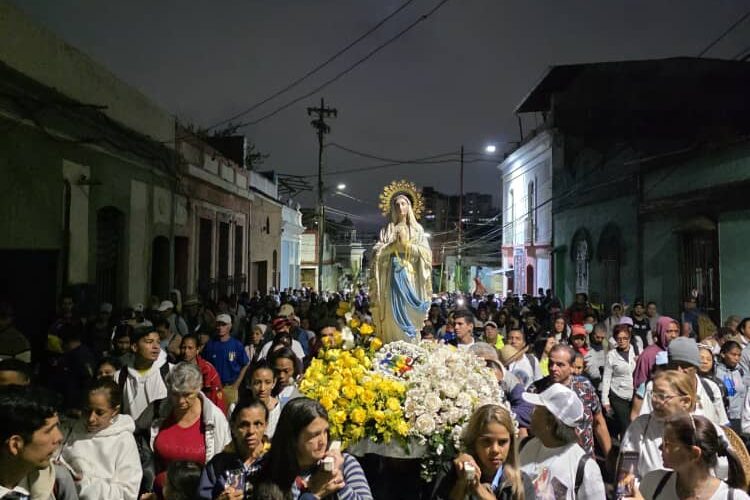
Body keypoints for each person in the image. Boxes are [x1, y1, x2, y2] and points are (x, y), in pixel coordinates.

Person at [257, 397, 373, 499]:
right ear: (293, 438)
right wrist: (314, 494)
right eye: (315, 435)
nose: (323, 441)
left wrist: (338, 483)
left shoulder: (346, 463)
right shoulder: (270, 473)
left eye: (325, 432)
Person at [151, 362, 231, 494]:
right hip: (161, 492)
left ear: (198, 388)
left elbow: (224, 460)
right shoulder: (158, 410)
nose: (181, 401)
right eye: (175, 394)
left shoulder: (214, 417)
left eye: (187, 394)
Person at [369, 183, 432, 343]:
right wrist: (391, 248)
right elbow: (376, 251)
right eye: (396, 204)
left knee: (408, 310)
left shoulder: (417, 230)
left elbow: (426, 254)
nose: (399, 207)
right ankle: (391, 343)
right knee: (390, 312)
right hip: (390, 277)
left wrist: (406, 247)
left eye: (403, 203)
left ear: (409, 207)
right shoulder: (388, 229)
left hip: (410, 277)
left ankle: (409, 344)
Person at [519, 383, 605, 499]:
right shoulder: (524, 446)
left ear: (550, 422)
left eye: (538, 408)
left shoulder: (584, 467)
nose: (531, 412)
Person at [429, 404, 534, 499]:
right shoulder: (451, 472)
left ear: (511, 443)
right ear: (474, 441)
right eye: (486, 441)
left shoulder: (520, 483)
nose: (495, 450)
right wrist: (462, 484)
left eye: (502, 442)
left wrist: (479, 489)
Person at [60, 378, 141, 499]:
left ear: (115, 411)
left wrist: (83, 484)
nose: (91, 418)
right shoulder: (70, 429)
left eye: (99, 412)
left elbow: (127, 494)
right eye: (87, 411)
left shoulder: (123, 440)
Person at [634, 413, 748, 500]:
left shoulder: (733, 497)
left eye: (667, 443)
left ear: (694, 454)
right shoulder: (653, 483)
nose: (660, 447)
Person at [529, 344, 611, 458]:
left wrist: (610, 458)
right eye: (551, 363)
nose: (553, 368)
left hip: (583, 459)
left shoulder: (584, 387)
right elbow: (528, 429)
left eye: (560, 365)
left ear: (572, 367)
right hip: (550, 460)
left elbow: (599, 422)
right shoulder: (536, 390)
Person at [0, 385, 77, 500]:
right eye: (49, 431)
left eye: (57, 426)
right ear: (15, 445)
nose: (59, 437)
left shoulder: (59, 480)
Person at [198, 399, 270, 499]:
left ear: (266, 426)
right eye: (244, 425)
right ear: (233, 427)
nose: (251, 431)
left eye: (258, 424)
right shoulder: (217, 465)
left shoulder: (275, 461)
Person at [203, 314, 251, 406]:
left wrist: (237, 384)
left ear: (230, 326)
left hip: (230, 387)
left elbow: (245, 364)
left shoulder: (237, 345)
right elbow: (205, 364)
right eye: (218, 325)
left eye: (223, 325)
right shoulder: (210, 344)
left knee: (231, 415)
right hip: (214, 387)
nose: (220, 327)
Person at [601, 324, 637, 440]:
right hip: (618, 394)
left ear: (629, 338)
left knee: (636, 425)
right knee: (627, 427)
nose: (622, 341)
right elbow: (606, 378)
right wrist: (605, 400)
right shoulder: (611, 355)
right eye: (619, 339)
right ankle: (627, 455)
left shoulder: (635, 350)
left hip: (635, 394)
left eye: (625, 338)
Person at [179, 334, 226, 414]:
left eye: (190, 348)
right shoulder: (177, 369)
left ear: (198, 349)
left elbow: (217, 396)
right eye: (184, 348)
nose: (186, 351)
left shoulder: (207, 369)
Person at [238, 361, 282, 438]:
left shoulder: (281, 410)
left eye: (267, 382)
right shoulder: (237, 408)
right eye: (257, 383)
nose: (262, 388)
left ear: (274, 383)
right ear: (249, 383)